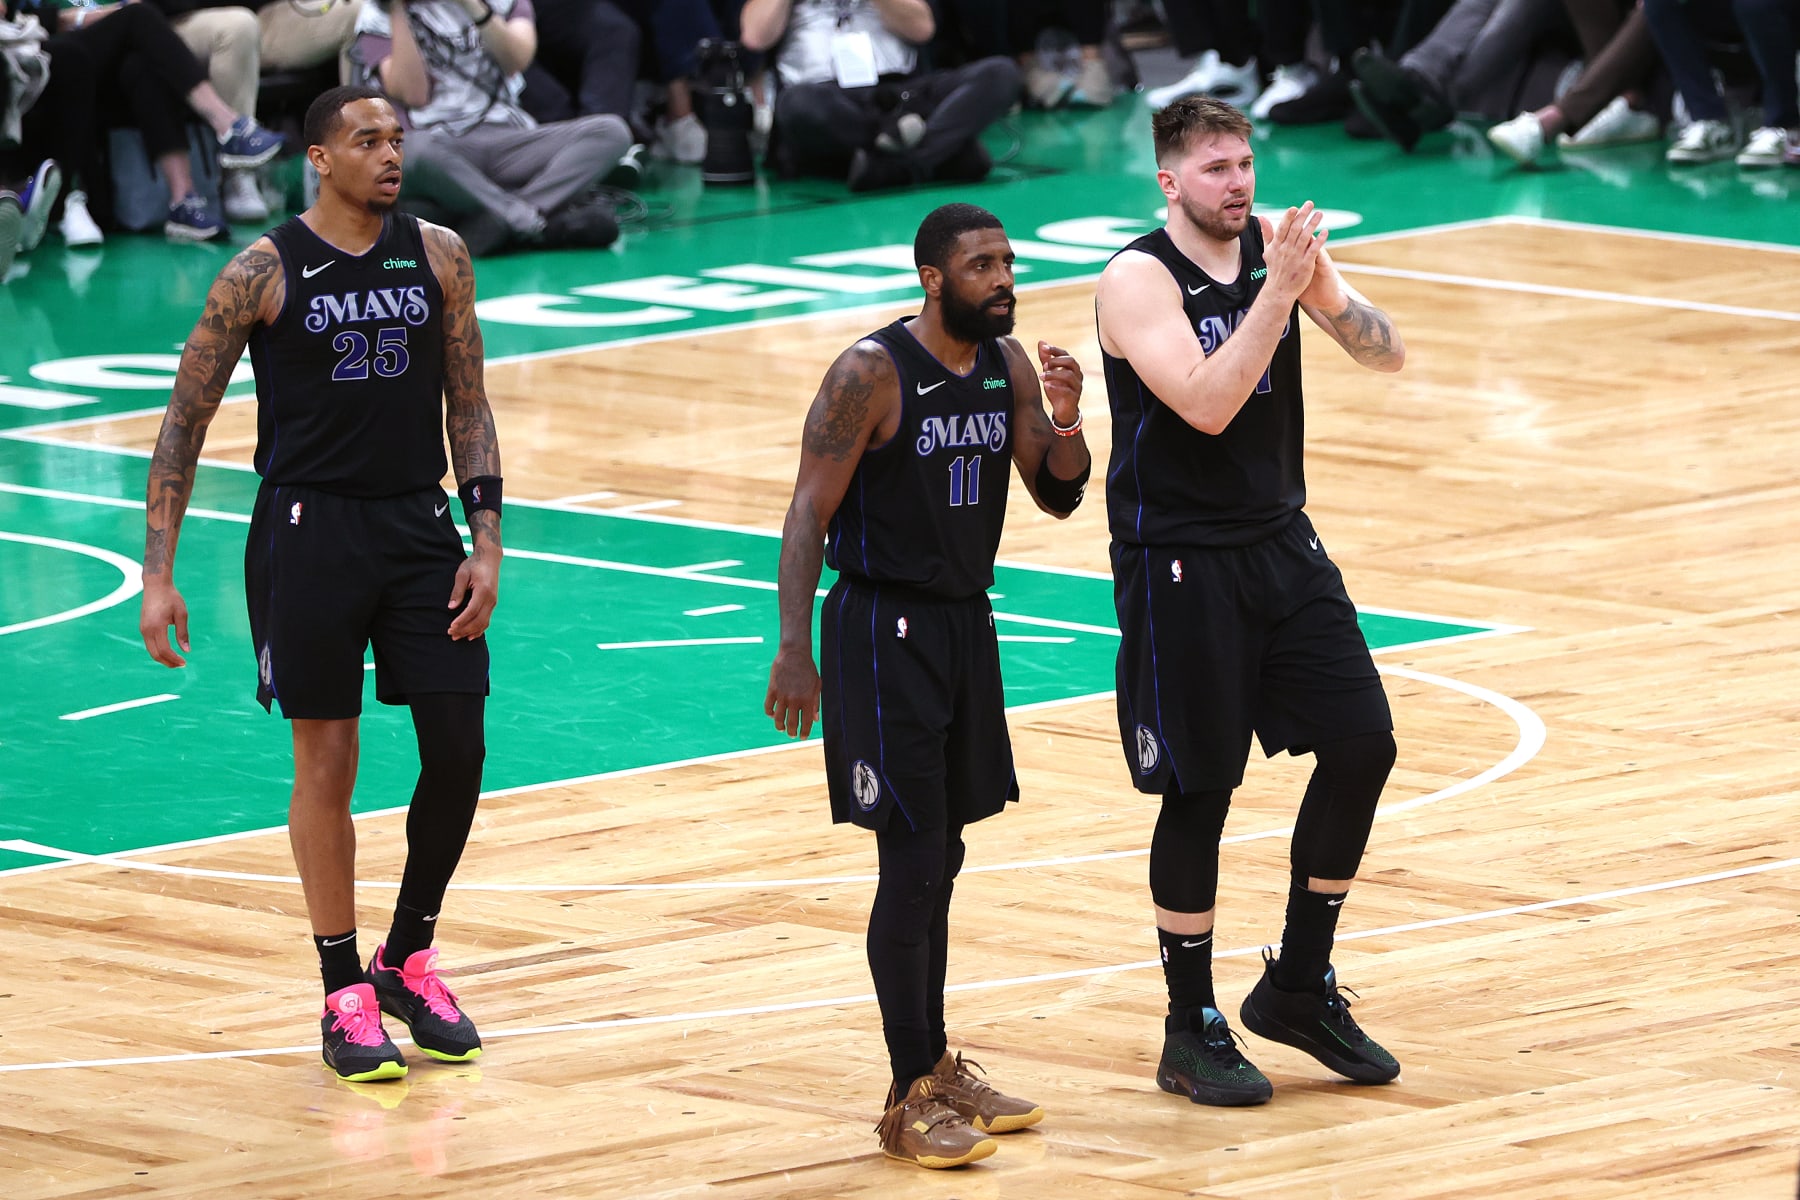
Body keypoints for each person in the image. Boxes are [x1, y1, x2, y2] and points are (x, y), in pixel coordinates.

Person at [138, 84, 502, 1084]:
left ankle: (408, 956)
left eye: (397, 137)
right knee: (327, 758)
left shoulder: (439, 255)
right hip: (305, 535)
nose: (390, 154)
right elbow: (184, 420)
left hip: (418, 526)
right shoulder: (260, 272)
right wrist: (157, 571)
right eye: (366, 140)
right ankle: (343, 987)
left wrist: (486, 535)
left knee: (461, 747)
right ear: (318, 158)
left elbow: (468, 403)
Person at [764, 202, 1092, 1167]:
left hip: (962, 626)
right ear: (934, 279)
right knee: (909, 863)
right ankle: (908, 1096)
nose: (1004, 277)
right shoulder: (870, 372)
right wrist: (794, 648)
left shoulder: (1007, 366)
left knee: (942, 857)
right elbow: (804, 516)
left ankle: (937, 1069)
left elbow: (1058, 489)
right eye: (982, 265)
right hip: (879, 631)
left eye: (1008, 260)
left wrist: (1066, 421)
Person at [1094, 96, 1406, 1107]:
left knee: (1364, 743)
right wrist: (1282, 292)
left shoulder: (1274, 250)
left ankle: (1300, 985)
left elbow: (1383, 351)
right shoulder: (1136, 279)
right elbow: (1209, 402)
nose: (1239, 184)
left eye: (1245, 164)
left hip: (1281, 541)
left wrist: (1327, 294)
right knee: (1201, 791)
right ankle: (1189, 1028)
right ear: (1170, 181)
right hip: (1180, 560)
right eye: (1216, 168)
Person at [351, 0, 630, 255]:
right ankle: (536, 223)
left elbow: (517, 59)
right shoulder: (376, 14)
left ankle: (500, 219)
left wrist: (472, 5)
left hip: (510, 140)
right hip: (440, 149)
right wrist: (396, 11)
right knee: (411, 151)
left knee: (611, 131)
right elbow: (413, 94)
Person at [739, 0, 1020, 192]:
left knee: (1001, 73)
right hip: (828, 97)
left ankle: (896, 166)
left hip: (902, 96)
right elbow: (755, 36)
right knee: (798, 105)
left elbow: (922, 29)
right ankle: (939, 155)